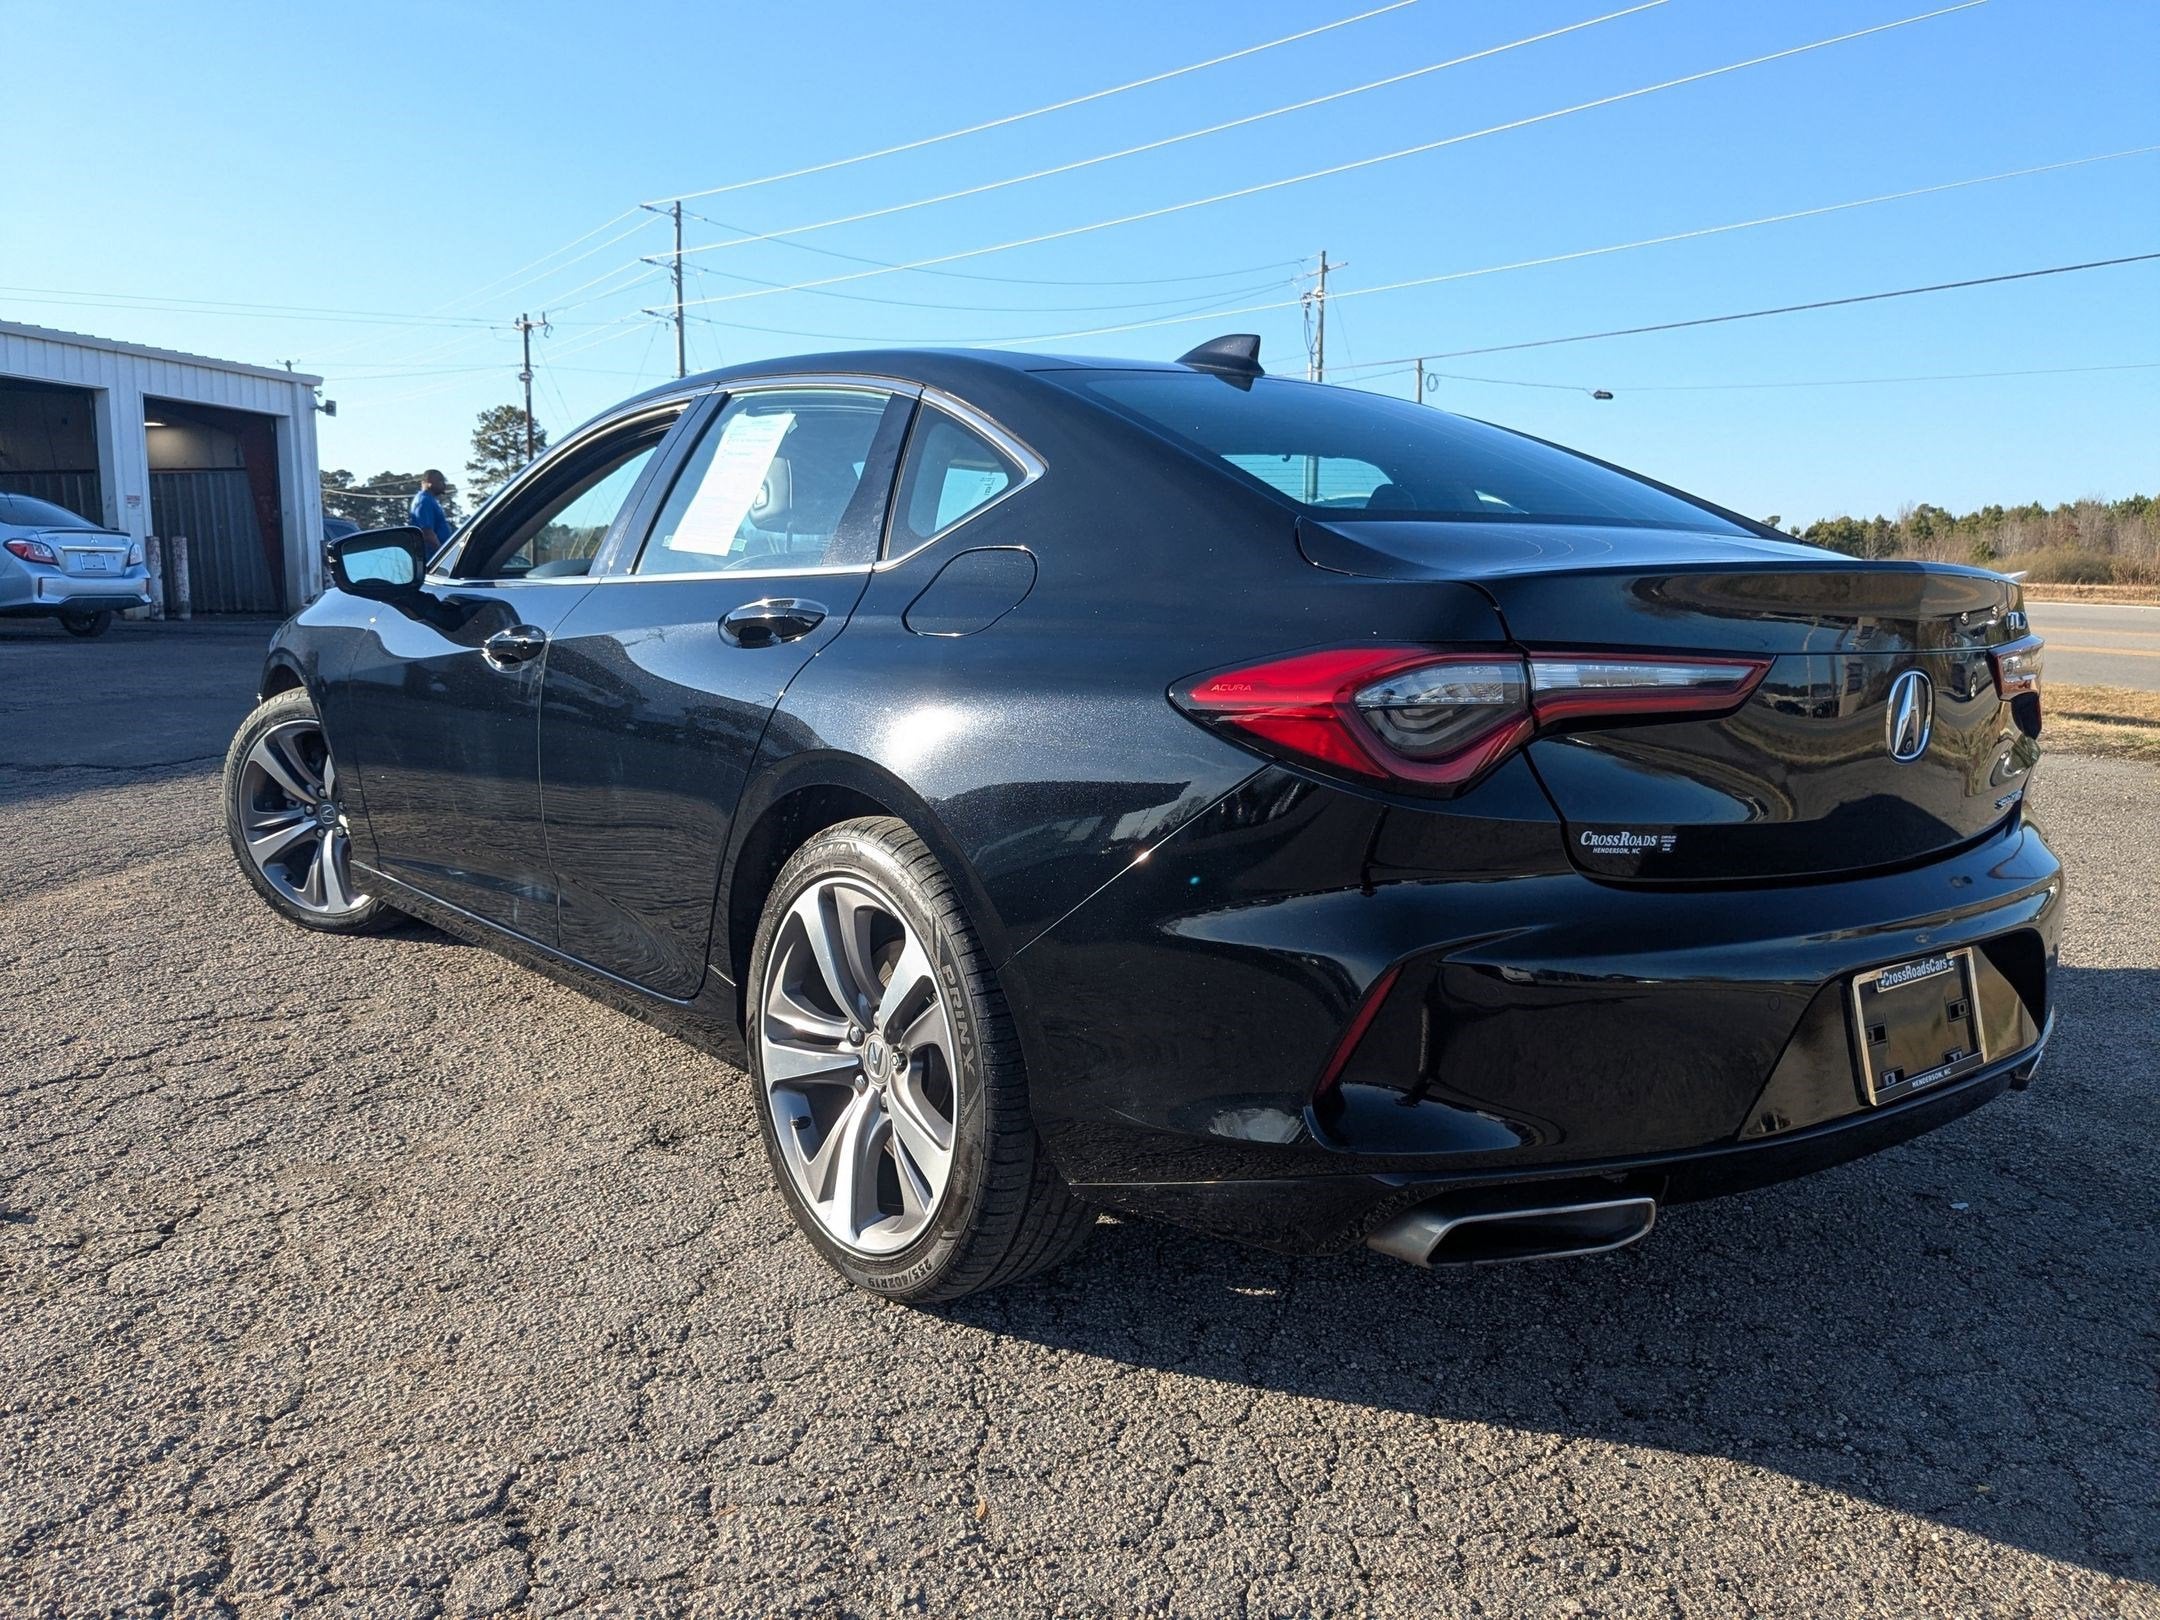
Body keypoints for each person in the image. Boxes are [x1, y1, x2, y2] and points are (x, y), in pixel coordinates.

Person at [409, 470, 454, 545]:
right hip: (435, 551)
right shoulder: (424, 501)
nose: (444, 484)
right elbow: (427, 532)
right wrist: (441, 550)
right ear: (429, 482)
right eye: (440, 480)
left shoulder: (430, 499)